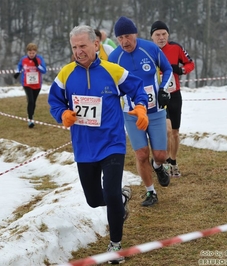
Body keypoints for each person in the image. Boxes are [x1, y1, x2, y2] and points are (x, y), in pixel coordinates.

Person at [48, 25, 149, 264]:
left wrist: (142, 106)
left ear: (96, 44)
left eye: (83, 46)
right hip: (84, 146)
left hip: (112, 143)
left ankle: (115, 246)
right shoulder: (65, 74)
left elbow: (137, 88)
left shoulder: (113, 71)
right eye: (74, 47)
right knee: (94, 199)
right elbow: (54, 102)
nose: (78, 51)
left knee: (111, 193)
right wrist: (62, 114)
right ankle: (119, 199)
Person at [108, 17, 172, 208]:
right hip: (132, 113)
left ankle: (158, 166)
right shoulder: (114, 58)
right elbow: (112, 86)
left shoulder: (150, 48)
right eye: (120, 38)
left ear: (135, 34)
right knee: (142, 154)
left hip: (155, 111)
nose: (124, 41)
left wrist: (162, 90)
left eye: (127, 36)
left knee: (160, 155)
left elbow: (167, 69)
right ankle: (150, 192)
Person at [150, 21, 195, 178]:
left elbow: (190, 64)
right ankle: (165, 164)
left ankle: (173, 162)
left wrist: (180, 69)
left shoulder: (176, 48)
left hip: (174, 94)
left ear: (168, 35)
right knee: (167, 130)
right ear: (152, 37)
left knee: (175, 132)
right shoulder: (148, 50)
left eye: (164, 34)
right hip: (158, 96)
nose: (161, 38)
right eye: (158, 35)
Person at [14, 43, 47, 128]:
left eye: (33, 53)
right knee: (31, 101)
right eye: (30, 53)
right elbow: (19, 66)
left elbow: (44, 71)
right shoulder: (23, 59)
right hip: (27, 83)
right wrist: (17, 72)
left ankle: (31, 114)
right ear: (27, 52)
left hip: (37, 84)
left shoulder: (39, 59)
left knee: (34, 102)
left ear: (36, 52)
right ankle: (30, 119)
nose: (31, 55)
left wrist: (37, 65)